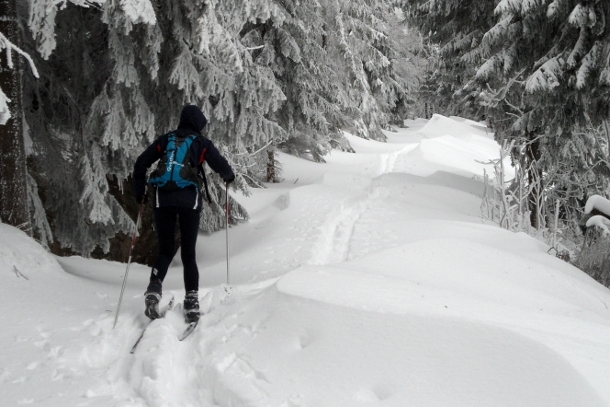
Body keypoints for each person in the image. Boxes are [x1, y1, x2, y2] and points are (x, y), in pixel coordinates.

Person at [132, 105, 235, 323]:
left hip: (163, 199)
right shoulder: (201, 143)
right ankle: (191, 302)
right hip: (189, 200)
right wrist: (228, 176)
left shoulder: (165, 140)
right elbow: (220, 165)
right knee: (188, 254)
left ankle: (153, 290)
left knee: (166, 251)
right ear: (198, 124)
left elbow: (141, 162)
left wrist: (139, 192)